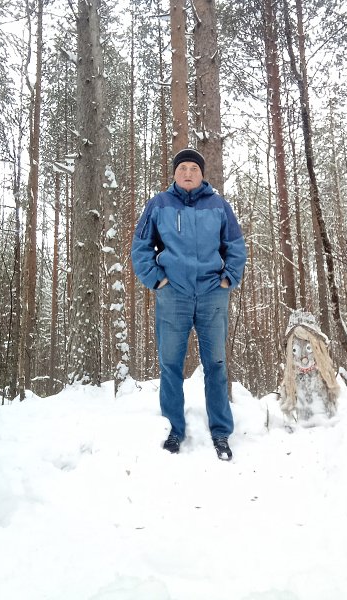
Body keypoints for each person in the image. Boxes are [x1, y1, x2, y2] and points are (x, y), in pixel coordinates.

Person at [131, 148, 246, 460]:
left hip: (212, 293)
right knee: (170, 364)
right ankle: (173, 429)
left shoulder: (219, 206)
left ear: (202, 174)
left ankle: (221, 431)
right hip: (174, 294)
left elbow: (235, 245)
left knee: (216, 364)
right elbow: (141, 247)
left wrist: (228, 279)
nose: (188, 173)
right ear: (174, 173)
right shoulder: (158, 204)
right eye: (182, 168)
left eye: (194, 168)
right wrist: (158, 281)